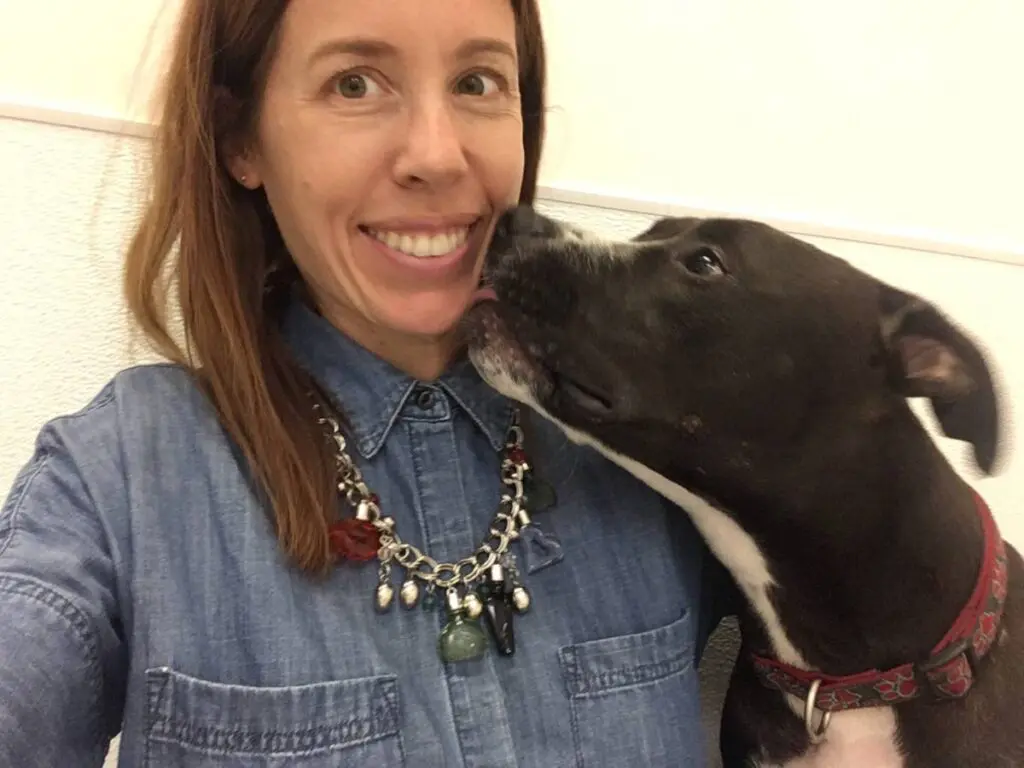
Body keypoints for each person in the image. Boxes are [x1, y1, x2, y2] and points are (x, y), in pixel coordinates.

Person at [0, 0, 737, 765]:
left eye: (478, 82)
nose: (438, 155)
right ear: (240, 137)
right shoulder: (123, 477)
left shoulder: (655, 440)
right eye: (355, 84)